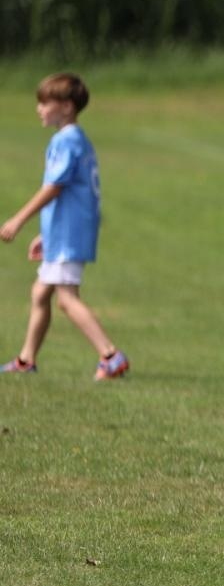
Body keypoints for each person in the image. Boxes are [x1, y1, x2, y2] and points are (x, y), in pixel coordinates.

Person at [0, 73, 129, 380]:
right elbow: (72, 195)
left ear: (67, 107)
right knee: (40, 293)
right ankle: (26, 360)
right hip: (65, 232)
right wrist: (47, 234)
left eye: (46, 103)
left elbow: (54, 187)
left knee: (67, 300)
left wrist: (18, 219)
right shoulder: (78, 140)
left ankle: (110, 356)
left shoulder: (65, 141)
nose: (39, 109)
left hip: (69, 235)